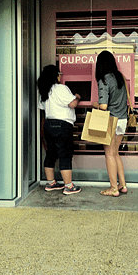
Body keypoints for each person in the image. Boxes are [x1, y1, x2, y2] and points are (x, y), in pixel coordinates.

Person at [37, 64, 81, 195]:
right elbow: (72, 104)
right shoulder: (61, 88)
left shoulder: (44, 90)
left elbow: (43, 112)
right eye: (60, 74)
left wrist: (42, 130)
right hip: (62, 125)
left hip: (49, 124)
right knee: (65, 154)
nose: (61, 76)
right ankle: (69, 186)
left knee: (50, 153)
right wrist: (78, 97)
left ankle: (51, 183)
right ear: (55, 75)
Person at [93, 50, 128, 197]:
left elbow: (103, 106)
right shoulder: (120, 77)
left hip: (111, 121)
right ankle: (122, 185)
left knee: (109, 154)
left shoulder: (104, 80)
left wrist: (94, 104)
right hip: (122, 120)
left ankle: (113, 188)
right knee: (115, 153)